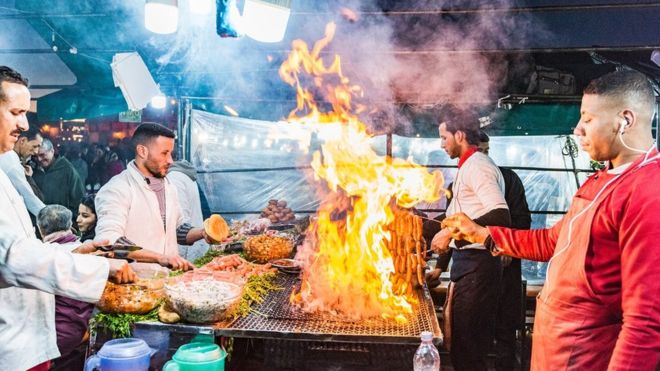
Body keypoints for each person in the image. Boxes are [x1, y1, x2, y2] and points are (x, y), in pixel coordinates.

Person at [439, 70, 660, 370]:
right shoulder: (599, 180)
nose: (577, 129)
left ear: (625, 120)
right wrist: (481, 234)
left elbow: (644, 323)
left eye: (588, 119)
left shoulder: (648, 191)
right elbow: (552, 242)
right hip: (554, 349)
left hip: (584, 356)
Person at [0, 65, 136, 371]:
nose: (24, 124)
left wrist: (74, 250)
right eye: (16, 112)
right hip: (8, 345)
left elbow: (20, 247)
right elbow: (11, 258)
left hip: (24, 339)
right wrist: (100, 268)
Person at [430, 107, 511, 370]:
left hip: (480, 265)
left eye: (444, 137)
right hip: (467, 266)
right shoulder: (466, 167)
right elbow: (460, 217)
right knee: (461, 346)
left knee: (469, 350)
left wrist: (450, 232)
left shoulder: (479, 166)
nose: (442, 144)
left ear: (460, 135)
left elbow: (501, 215)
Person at [95, 123, 211, 271]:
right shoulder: (117, 189)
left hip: (166, 282)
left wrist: (203, 233)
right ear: (142, 151)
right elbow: (109, 240)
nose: (170, 160)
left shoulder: (169, 186)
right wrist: (159, 258)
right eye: (164, 153)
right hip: (134, 284)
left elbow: (178, 230)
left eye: (171, 153)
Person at [477, 131, 531, 371]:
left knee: (506, 328)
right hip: (478, 266)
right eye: (479, 152)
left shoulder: (509, 178)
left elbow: (522, 218)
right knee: (476, 328)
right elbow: (453, 221)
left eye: (486, 151)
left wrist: (507, 245)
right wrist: (439, 266)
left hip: (507, 264)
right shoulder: (462, 181)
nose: (484, 157)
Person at [36, 205, 96, 364]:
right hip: (85, 334)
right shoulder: (87, 251)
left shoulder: (40, 258)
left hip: (54, 341)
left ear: (40, 228)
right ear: (70, 225)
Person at [33, 137, 85, 222]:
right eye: (35, 156)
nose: (39, 159)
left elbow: (78, 198)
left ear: (52, 151)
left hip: (61, 224)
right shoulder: (32, 169)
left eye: (42, 155)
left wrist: (70, 221)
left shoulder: (67, 169)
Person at [0, 122, 45, 216]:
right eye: (34, 146)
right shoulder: (11, 162)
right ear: (22, 141)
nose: (36, 152)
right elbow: (29, 198)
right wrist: (52, 218)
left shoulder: (9, 156)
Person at [168, 160, 209, 261]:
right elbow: (206, 210)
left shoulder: (174, 178)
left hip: (187, 248)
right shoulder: (185, 175)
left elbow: (180, 221)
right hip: (196, 242)